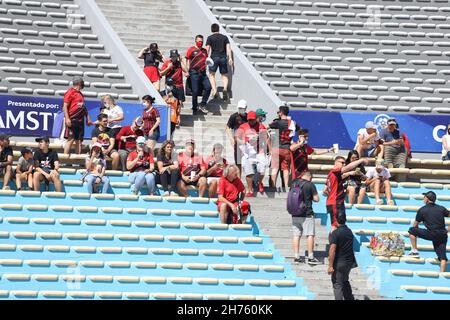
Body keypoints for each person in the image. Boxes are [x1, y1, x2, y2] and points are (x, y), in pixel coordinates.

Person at [408, 191, 450, 273]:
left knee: (412, 230)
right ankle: (442, 275)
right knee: (442, 258)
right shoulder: (441, 208)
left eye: (424, 197)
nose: (423, 199)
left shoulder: (422, 210)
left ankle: (414, 251)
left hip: (431, 234)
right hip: (442, 234)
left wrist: (418, 231)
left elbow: (415, 226)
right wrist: (448, 230)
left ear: (427, 199)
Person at [324, 156, 368, 231]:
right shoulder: (335, 171)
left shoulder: (331, 174)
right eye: (342, 163)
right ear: (336, 163)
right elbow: (349, 167)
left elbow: (325, 189)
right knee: (335, 226)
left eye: (344, 163)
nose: (344, 164)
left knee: (339, 225)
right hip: (335, 202)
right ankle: (333, 242)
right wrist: (361, 160)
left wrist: (349, 173)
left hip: (335, 202)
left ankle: (336, 242)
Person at [235, 111, 271, 197]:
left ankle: (259, 182)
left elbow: (266, 138)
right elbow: (236, 137)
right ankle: (250, 190)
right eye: (249, 120)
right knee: (248, 171)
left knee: (262, 168)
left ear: (256, 119)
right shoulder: (243, 126)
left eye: (252, 120)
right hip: (247, 152)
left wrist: (269, 149)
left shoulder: (261, 126)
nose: (251, 121)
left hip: (259, 151)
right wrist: (242, 141)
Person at [291, 171, 321, 265]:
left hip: (295, 213)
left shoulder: (294, 183)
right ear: (310, 177)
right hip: (307, 213)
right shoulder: (310, 185)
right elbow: (316, 199)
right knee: (310, 235)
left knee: (296, 235)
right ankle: (311, 257)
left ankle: (296, 256)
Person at [328, 214, 357, 300]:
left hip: (339, 263)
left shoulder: (335, 233)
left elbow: (332, 249)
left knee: (337, 285)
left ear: (336, 221)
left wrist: (330, 266)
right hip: (348, 262)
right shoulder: (349, 231)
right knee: (345, 281)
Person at [63, 77, 93, 154]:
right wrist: (67, 118)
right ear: (79, 83)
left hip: (80, 121)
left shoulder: (80, 94)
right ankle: (65, 159)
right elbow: (65, 106)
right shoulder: (70, 92)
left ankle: (78, 160)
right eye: (82, 83)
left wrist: (88, 118)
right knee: (71, 139)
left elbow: (83, 107)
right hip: (72, 119)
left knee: (79, 141)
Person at [269, 106, 297, 190]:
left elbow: (267, 127)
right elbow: (298, 130)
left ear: (281, 112)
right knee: (285, 169)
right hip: (287, 148)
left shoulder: (277, 122)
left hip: (277, 148)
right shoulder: (292, 122)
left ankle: (273, 187)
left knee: (275, 168)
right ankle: (286, 187)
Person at [206, 23, 233, 102]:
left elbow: (207, 49)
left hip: (214, 57)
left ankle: (214, 91)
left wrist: (206, 58)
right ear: (219, 29)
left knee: (211, 74)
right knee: (224, 75)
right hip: (223, 58)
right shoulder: (224, 38)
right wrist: (230, 58)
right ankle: (224, 89)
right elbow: (228, 48)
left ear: (212, 29)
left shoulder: (210, 38)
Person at [185, 35, 211, 114]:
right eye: (199, 41)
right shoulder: (191, 49)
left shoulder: (204, 51)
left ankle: (202, 104)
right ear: (196, 41)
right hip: (194, 72)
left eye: (202, 41)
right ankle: (194, 107)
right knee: (195, 91)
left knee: (208, 87)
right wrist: (187, 71)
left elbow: (206, 59)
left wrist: (207, 65)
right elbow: (186, 59)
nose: (201, 43)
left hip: (203, 73)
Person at [226, 99, 248, 171]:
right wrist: (231, 139)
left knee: (248, 163)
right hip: (238, 142)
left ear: (245, 108)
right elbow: (227, 127)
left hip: (247, 142)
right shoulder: (234, 116)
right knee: (238, 163)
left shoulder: (248, 117)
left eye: (242, 108)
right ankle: (239, 180)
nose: (241, 109)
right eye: (239, 108)